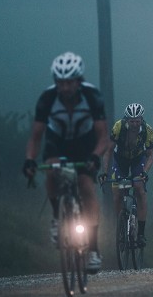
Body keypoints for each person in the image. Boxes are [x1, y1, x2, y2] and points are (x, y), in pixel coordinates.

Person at [22, 52, 109, 272]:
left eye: (69, 82)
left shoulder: (92, 96)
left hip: (85, 142)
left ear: (78, 81)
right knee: (52, 171)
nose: (65, 87)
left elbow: (103, 138)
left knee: (86, 186)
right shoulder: (47, 99)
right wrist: (30, 160)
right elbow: (36, 137)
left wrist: (95, 156)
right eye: (60, 83)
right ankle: (56, 218)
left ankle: (93, 249)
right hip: (57, 141)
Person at [101, 102, 153, 248]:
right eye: (132, 121)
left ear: (141, 119)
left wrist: (144, 173)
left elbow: (150, 156)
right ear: (127, 120)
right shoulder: (118, 127)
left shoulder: (147, 130)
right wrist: (105, 173)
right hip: (120, 160)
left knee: (139, 189)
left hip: (138, 160)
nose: (135, 124)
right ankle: (121, 225)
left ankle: (141, 234)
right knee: (117, 192)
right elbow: (108, 151)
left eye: (137, 121)